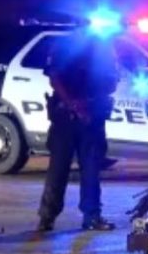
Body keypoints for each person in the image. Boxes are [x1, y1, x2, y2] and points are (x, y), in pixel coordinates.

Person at [36, 27, 119, 232]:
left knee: (91, 169)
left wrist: (93, 99)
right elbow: (54, 77)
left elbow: (113, 80)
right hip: (65, 117)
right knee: (58, 169)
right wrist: (73, 104)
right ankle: (47, 217)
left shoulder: (104, 48)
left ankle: (92, 216)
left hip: (92, 118)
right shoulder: (64, 46)